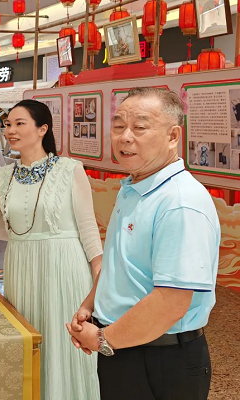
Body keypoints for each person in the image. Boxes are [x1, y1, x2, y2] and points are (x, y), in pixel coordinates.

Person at [67, 88, 219, 400]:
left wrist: (104, 339)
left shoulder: (179, 202)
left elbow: (170, 301)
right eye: (119, 125)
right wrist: (91, 305)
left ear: (173, 136)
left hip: (162, 359)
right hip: (125, 346)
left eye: (140, 127)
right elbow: (119, 262)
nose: (125, 137)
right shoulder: (134, 185)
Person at [0, 99, 102, 400]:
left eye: (20, 123)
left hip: (64, 269)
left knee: (63, 348)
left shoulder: (70, 169)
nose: (10, 130)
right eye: (8, 124)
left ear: (42, 129)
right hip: (22, 268)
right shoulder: (4, 176)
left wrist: (98, 279)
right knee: (30, 344)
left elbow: (88, 228)